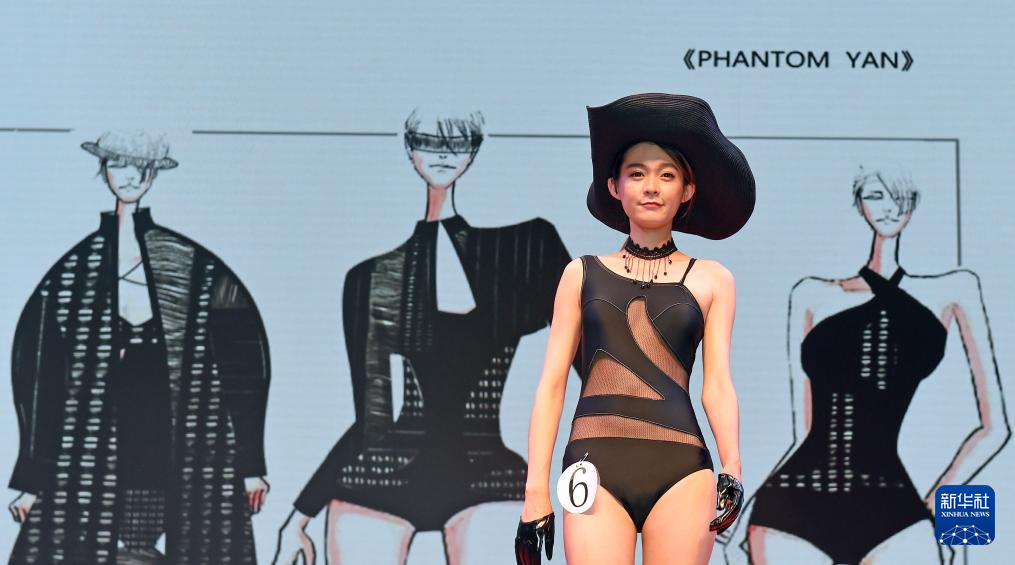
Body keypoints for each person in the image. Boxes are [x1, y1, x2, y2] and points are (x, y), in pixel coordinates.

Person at [273, 109, 573, 565]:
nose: (442, 154)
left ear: (473, 151)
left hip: (489, 476)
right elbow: (371, 420)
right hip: (381, 478)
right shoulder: (372, 279)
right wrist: (299, 514)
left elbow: (593, 364)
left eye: (456, 143)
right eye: (428, 141)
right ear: (410, 149)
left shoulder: (525, 249)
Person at [7, 130, 271, 564]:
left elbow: (243, 363)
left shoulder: (194, 263)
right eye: (118, 164)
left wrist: (250, 463)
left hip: (180, 439)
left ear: (153, 175)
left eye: (140, 167)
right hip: (92, 443)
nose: (129, 176)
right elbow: (38, 377)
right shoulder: (73, 270)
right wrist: (32, 477)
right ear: (104, 169)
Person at [726, 167, 1010, 564]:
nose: (890, 208)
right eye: (876, 196)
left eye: (900, 197)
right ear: (860, 205)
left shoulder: (955, 289)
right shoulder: (811, 295)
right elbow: (802, 432)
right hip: (792, 506)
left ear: (913, 205)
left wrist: (938, 509)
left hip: (893, 504)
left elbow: (996, 429)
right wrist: (740, 513)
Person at [516, 94, 753, 565]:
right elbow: (551, 385)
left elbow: (718, 385)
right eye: (637, 173)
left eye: (667, 175)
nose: (651, 187)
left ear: (687, 189)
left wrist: (732, 466)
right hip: (594, 466)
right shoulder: (580, 274)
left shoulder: (713, 279)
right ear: (614, 186)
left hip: (682, 469)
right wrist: (534, 492)